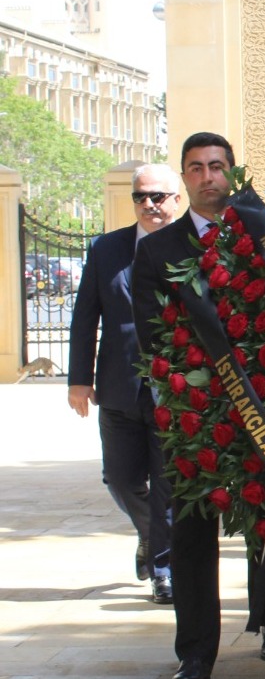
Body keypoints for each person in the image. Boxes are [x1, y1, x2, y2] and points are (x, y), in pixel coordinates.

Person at [133, 132, 265, 679]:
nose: (208, 177)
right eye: (196, 168)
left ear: (232, 172)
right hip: (195, 411)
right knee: (192, 531)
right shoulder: (157, 251)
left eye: (217, 167)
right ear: (184, 178)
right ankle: (195, 654)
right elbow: (155, 338)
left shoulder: (263, 233)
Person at [69, 163, 180, 605]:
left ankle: (163, 570)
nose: (150, 205)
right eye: (141, 197)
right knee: (119, 478)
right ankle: (151, 536)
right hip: (118, 386)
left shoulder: (195, 245)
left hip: (175, 389)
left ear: (177, 199)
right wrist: (78, 379)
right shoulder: (106, 249)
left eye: (158, 196)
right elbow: (84, 317)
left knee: (168, 486)